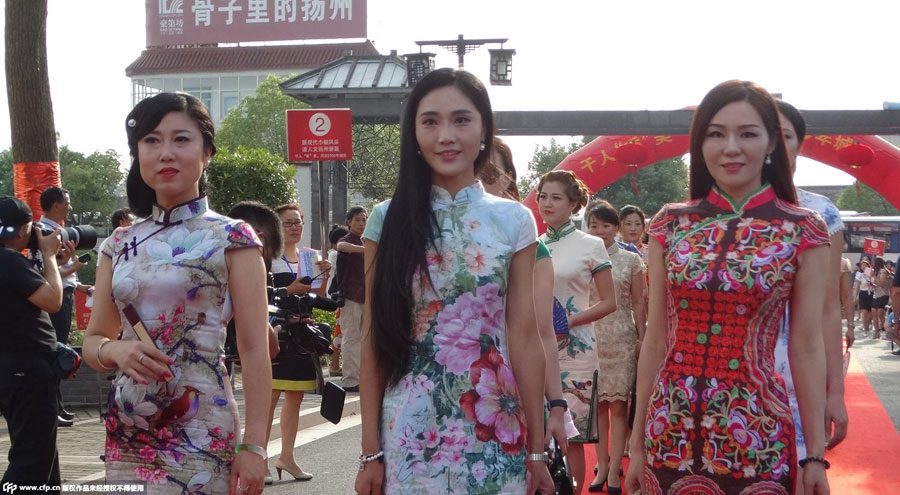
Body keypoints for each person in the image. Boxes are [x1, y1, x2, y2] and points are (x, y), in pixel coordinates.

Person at [625, 80, 830, 495]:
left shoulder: (803, 229)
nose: (730, 147)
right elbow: (655, 338)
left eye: (748, 133)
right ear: (699, 144)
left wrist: (814, 455)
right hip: (669, 426)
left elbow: (807, 346)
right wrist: (636, 442)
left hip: (757, 429)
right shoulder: (670, 223)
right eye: (715, 134)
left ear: (773, 142)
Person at [354, 68, 553, 495]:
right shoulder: (386, 219)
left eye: (461, 119)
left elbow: (524, 338)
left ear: (483, 129)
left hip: (495, 428)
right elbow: (375, 337)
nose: (446, 135)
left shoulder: (514, 220)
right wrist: (370, 452)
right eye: (430, 122)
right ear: (414, 134)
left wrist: (536, 451)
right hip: (409, 433)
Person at [82, 92, 271, 495]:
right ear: (138, 153)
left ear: (207, 153)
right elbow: (94, 340)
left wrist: (255, 444)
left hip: (202, 426)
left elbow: (255, 348)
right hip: (130, 425)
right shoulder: (118, 244)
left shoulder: (233, 237)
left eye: (181, 139)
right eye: (152, 140)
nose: (165, 152)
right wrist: (116, 351)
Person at [479, 136, 572, 456]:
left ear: (509, 178)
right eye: (473, 170)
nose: (479, 181)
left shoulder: (531, 246)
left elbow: (543, 332)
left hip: (513, 388)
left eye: (489, 172)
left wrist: (557, 404)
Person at [775, 100, 848, 468]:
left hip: (799, 373)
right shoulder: (710, 215)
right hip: (726, 376)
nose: (772, 144)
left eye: (784, 135)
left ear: (800, 145)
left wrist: (835, 389)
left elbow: (828, 307)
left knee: (803, 474)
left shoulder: (821, 213)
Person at [537, 170, 617, 494]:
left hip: (577, 352)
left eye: (556, 197)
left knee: (572, 437)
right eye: (543, 196)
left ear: (573, 204)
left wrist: (567, 321)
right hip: (536, 349)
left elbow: (610, 302)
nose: (547, 203)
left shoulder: (591, 245)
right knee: (537, 433)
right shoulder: (531, 245)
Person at [0, 196, 63, 488]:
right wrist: (49, 256)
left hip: (12, 370)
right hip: (28, 372)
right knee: (30, 462)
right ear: (25, 230)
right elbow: (52, 300)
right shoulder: (10, 262)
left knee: (43, 458)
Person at [266, 202, 331, 482]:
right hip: (275, 334)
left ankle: (287, 456)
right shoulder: (267, 258)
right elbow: (261, 297)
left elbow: (317, 297)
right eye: (287, 222)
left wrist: (324, 278)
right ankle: (259, 458)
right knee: (267, 399)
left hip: (303, 336)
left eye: (297, 222)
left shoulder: (310, 257)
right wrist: (286, 289)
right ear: (276, 228)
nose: (294, 227)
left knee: (295, 397)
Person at [585, 200, 646, 494]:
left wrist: (642, 337)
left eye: (606, 225)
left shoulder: (631, 261)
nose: (600, 231)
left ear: (616, 227)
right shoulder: (582, 259)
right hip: (590, 339)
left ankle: (613, 474)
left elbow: (638, 302)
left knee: (619, 407)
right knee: (596, 407)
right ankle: (603, 466)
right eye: (594, 225)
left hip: (621, 337)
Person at [39, 186, 93, 427]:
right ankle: (51, 407)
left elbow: (60, 271)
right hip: (53, 298)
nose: (70, 207)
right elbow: (45, 273)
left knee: (58, 349)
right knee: (55, 351)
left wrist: (78, 285)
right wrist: (73, 269)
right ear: (56, 205)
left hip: (65, 293)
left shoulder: (58, 232)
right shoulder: (43, 234)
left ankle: (56, 405)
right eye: (67, 202)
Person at [335, 206, 367, 392]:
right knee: (351, 338)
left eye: (364, 220)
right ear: (349, 222)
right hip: (350, 296)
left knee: (363, 339)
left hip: (365, 296)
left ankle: (360, 377)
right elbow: (341, 246)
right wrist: (363, 249)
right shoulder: (347, 240)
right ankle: (350, 380)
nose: (361, 223)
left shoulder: (364, 241)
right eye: (357, 220)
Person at [326, 224, 349, 376]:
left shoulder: (332, 254)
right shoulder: (335, 255)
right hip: (339, 298)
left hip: (337, 297)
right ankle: (334, 365)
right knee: (340, 333)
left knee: (340, 332)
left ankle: (335, 365)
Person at [854, 258, 875, 335]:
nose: (863, 266)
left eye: (865, 265)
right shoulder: (859, 274)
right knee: (864, 311)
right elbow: (857, 286)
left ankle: (868, 325)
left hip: (870, 293)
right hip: (862, 293)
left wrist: (871, 284)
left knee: (869, 312)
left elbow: (875, 283)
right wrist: (855, 296)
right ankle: (865, 329)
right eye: (862, 265)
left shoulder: (871, 273)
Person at [872, 256, 891, 338]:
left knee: (880, 313)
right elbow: (877, 284)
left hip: (883, 295)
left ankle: (888, 332)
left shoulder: (883, 271)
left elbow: (881, 283)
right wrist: (872, 284)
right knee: (874, 312)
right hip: (876, 295)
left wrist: (873, 276)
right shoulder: (876, 272)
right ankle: (877, 332)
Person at [840, 257, 855, 348]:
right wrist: (850, 327)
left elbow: (847, 296)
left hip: (830, 319)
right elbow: (847, 297)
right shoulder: (843, 263)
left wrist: (850, 326)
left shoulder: (843, 263)